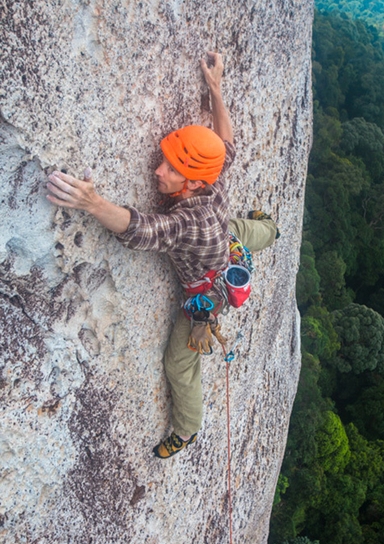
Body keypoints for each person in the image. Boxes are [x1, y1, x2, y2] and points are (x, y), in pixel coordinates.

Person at [46, 52, 279, 459]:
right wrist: (216, 89)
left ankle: (187, 430)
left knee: (179, 364)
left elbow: (139, 228)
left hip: (208, 290)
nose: (158, 170)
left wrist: (92, 202)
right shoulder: (212, 177)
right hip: (225, 237)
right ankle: (271, 229)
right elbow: (226, 144)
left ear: (190, 183)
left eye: (170, 169)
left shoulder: (184, 223)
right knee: (243, 230)